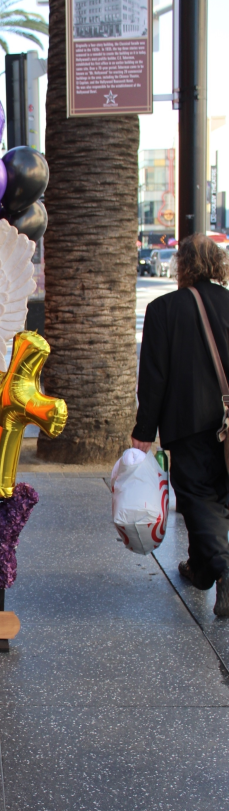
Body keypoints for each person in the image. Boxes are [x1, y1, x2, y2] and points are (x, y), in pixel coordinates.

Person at [132, 233, 229, 615]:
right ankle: (202, 569)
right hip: (226, 423)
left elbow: (153, 379)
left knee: (198, 497)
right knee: (217, 497)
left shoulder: (164, 309)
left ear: (182, 266)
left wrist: (144, 432)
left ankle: (221, 567)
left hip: (190, 424)